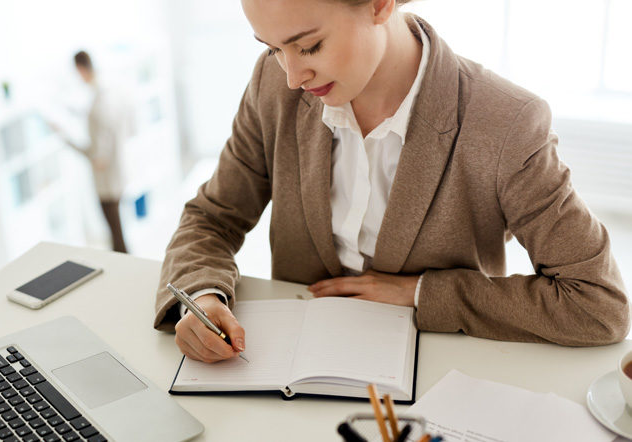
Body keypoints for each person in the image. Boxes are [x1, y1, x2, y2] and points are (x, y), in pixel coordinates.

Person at [154, 0, 630, 363]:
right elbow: (212, 218)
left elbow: (597, 304)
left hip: (443, 377)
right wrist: (201, 295)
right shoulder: (272, 85)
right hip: (291, 373)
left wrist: (423, 293)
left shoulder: (504, 122)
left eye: (309, 46)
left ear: (382, 4)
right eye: (273, 49)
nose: (293, 76)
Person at [54, 50, 136, 253]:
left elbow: (98, 157)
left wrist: (65, 138)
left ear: (80, 69)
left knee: (116, 235)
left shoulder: (99, 103)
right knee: (118, 232)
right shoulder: (110, 92)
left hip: (106, 180)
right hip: (117, 172)